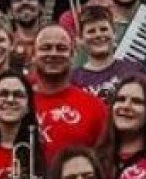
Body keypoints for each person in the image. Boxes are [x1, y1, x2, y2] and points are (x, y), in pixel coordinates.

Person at [29, 22, 109, 153]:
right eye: (46, 48)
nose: (53, 54)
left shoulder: (95, 108)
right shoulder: (17, 102)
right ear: (33, 55)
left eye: (61, 48)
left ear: (73, 56)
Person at [72, 4, 146, 102]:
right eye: (91, 31)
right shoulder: (73, 80)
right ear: (80, 40)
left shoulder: (135, 70)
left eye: (104, 29)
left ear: (114, 34)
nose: (98, 35)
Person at [3, 0, 45, 65]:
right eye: (18, 0)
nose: (25, 2)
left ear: (41, 7)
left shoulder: (56, 42)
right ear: (9, 12)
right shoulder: (4, 45)